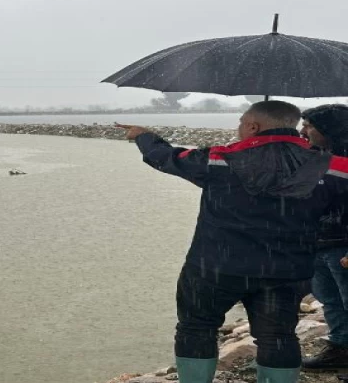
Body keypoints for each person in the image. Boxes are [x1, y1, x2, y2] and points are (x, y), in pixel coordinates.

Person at [117, 101, 348, 383]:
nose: (237, 128)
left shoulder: (218, 159)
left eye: (240, 122)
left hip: (215, 266)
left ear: (253, 126)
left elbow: (166, 157)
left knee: (196, 328)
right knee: (278, 336)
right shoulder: (334, 167)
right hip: (287, 270)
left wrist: (144, 136)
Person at [299, 104, 348, 370]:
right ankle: (340, 349)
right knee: (330, 301)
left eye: (309, 125)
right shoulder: (315, 158)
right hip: (319, 242)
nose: (302, 130)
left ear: (329, 129)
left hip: (343, 245)